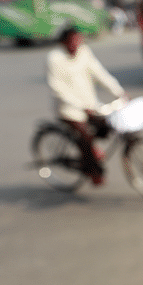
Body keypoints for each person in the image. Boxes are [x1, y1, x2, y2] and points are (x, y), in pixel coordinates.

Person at [46, 26, 127, 186]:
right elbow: (57, 88)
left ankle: (91, 153)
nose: (77, 44)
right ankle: (94, 172)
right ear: (64, 42)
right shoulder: (54, 58)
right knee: (85, 138)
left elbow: (100, 73)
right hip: (68, 110)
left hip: (90, 106)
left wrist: (119, 92)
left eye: (79, 39)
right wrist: (80, 106)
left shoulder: (84, 53)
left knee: (107, 126)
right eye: (73, 40)